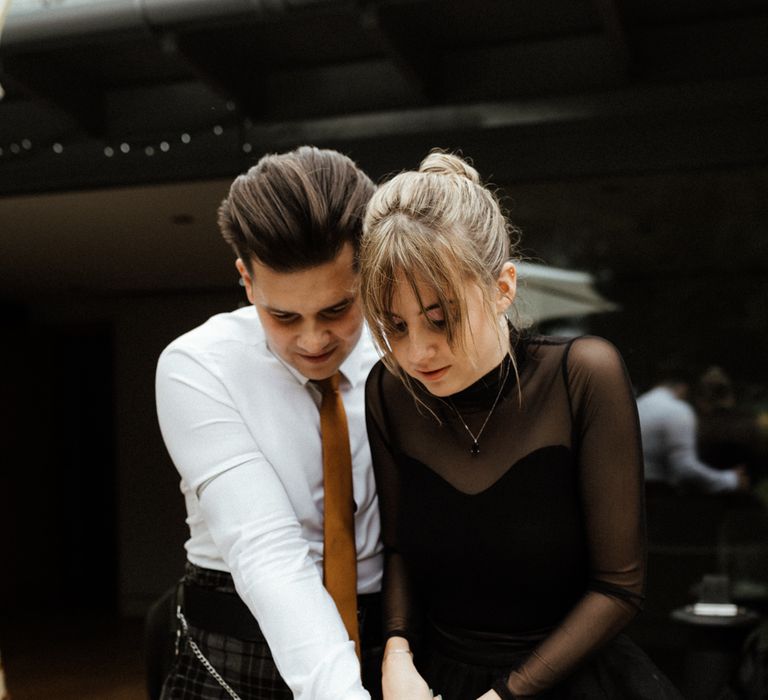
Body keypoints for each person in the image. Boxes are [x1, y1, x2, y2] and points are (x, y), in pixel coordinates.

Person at [359, 151, 682, 699]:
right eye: (395, 325)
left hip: (571, 678)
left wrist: (503, 696)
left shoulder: (582, 376)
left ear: (504, 287)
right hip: (436, 677)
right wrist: (396, 653)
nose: (418, 351)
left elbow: (618, 589)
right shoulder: (390, 391)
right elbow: (398, 551)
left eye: (441, 318)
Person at [155, 146, 383, 699]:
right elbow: (266, 551)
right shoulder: (196, 365)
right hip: (234, 642)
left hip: (387, 636)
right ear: (247, 280)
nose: (313, 340)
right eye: (284, 316)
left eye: (337, 309)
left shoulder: (408, 355)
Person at [637, 370, 749, 494]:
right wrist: (730, 480)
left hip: (635, 488)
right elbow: (683, 467)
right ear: (684, 388)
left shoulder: (639, 403)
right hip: (658, 491)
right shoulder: (677, 409)